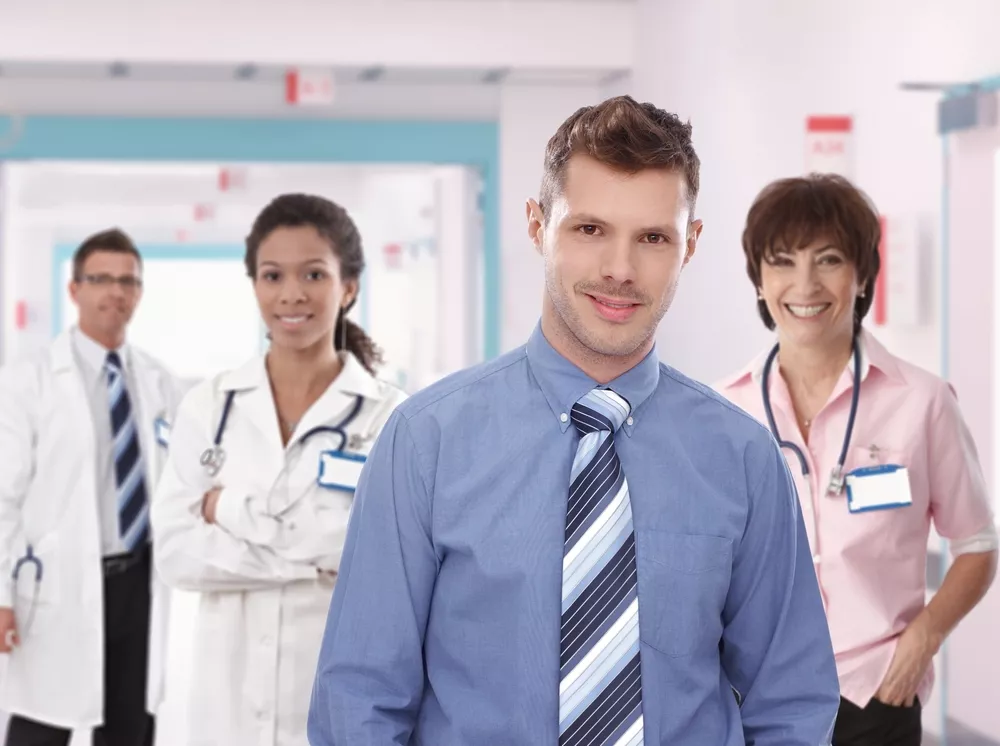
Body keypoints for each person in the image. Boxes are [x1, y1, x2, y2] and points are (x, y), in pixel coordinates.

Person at [307, 95, 840, 745]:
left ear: (690, 244)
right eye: (589, 230)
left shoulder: (744, 459)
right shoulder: (425, 443)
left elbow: (790, 700)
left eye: (652, 237)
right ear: (537, 226)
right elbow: (359, 700)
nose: (619, 270)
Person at [715, 173, 998, 745]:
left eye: (829, 260)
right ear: (759, 280)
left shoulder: (921, 402)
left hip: (876, 695)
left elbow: (977, 545)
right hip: (757, 696)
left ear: (863, 274)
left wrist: (923, 638)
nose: (805, 284)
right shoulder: (723, 412)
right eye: (782, 261)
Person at [150, 193, 406, 746]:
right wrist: (314, 564)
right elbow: (174, 553)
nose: (291, 293)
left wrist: (231, 512)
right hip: (227, 709)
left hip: (338, 699)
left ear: (349, 287)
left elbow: (387, 558)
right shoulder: (208, 406)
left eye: (313, 273)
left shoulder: (393, 418)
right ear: (255, 287)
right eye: (272, 276)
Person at [0, 229, 191, 746]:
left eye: (128, 281)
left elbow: (183, 477)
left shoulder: (158, 381)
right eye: (101, 279)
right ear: (75, 289)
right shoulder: (30, 378)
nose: (116, 292)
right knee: (41, 726)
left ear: (140, 292)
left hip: (137, 579)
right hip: (56, 583)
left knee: (130, 728)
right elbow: (3, 496)